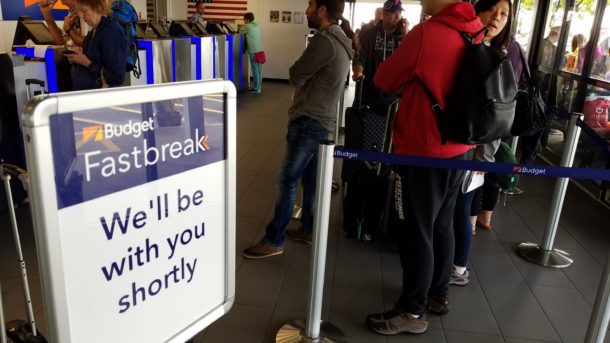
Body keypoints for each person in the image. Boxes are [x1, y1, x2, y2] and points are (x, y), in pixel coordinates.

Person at [366, 0, 484, 335]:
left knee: (416, 228)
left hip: (423, 148)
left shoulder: (427, 33)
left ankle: (413, 310)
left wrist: (412, 83)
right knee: (442, 224)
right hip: (461, 147)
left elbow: (384, 78)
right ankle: (437, 294)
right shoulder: (473, 29)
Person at [242, 0, 356, 259]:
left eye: (311, 5)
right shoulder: (340, 40)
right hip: (322, 120)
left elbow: (295, 74)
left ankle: (274, 239)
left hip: (308, 121)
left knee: (287, 180)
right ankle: (308, 228)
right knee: (311, 180)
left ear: (323, 10)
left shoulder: (324, 41)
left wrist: (301, 69)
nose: (307, 11)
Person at [470, 0, 514, 236]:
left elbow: (500, 106)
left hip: (484, 137)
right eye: (491, 10)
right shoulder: (465, 44)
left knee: (476, 180)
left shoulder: (501, 55)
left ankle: (473, 222)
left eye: (504, 14)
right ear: (478, 10)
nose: (496, 18)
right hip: (457, 142)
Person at [352, 0, 405, 111]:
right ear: (384, 14)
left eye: (400, 12)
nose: (398, 16)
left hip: (393, 100)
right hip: (369, 97)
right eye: (394, 12)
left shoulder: (404, 38)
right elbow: (359, 58)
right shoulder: (369, 34)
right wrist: (358, 71)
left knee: (389, 128)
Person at [66, 0, 128, 90]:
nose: (80, 16)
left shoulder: (111, 32)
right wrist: (81, 53)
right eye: (79, 11)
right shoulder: (93, 32)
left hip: (101, 98)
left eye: (84, 11)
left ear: (98, 8)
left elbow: (116, 76)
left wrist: (86, 63)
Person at [240, 12, 265, 94]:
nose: (243, 20)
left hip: (253, 51)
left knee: (255, 70)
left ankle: (256, 89)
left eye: (244, 18)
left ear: (247, 19)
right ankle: (259, 87)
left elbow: (239, 31)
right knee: (259, 70)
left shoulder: (247, 26)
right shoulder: (256, 24)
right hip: (260, 50)